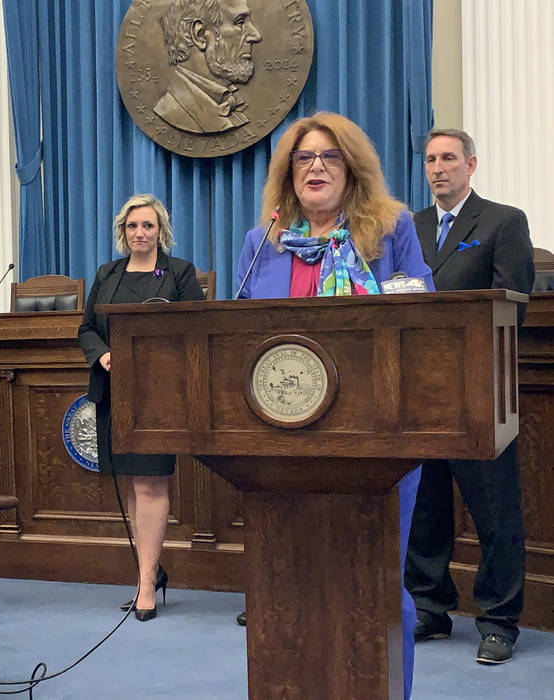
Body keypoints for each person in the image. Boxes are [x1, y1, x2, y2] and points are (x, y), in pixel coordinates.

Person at [235, 112, 433, 699]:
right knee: (287, 578)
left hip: (379, 433)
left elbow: (423, 306)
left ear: (352, 168)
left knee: (373, 575)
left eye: (329, 157)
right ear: (287, 173)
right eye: (303, 158)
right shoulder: (260, 242)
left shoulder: (391, 228)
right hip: (281, 441)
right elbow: (242, 335)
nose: (315, 167)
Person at [406, 128, 533, 665]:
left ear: (471, 164)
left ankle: (499, 621)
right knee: (424, 508)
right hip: (416, 391)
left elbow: (515, 305)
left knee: (494, 511)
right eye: (431, 159)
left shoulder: (504, 221)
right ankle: (430, 610)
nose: (439, 168)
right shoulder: (409, 227)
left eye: (449, 159)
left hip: (479, 390)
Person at [78, 194, 206, 622]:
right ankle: (149, 570)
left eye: (148, 226)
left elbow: (197, 328)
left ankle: (147, 584)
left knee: (151, 484)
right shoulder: (107, 273)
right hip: (114, 392)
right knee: (132, 485)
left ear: (160, 231)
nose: (140, 234)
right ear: (123, 231)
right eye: (133, 227)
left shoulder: (179, 273)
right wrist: (102, 355)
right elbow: (86, 328)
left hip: (158, 395)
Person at [153, 0, 262, 134]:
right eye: (240, 22)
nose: (256, 36)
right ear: (200, 35)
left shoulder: (231, 105)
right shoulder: (171, 110)